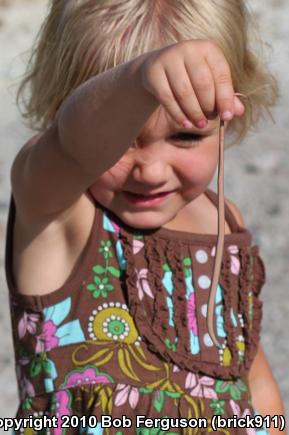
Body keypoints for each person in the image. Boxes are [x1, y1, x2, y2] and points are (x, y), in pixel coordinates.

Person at [5, 0, 286, 434]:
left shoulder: (222, 220)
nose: (151, 169)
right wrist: (138, 80)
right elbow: (71, 143)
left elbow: (253, 383)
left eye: (186, 135)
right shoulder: (57, 212)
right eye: (122, 140)